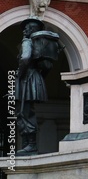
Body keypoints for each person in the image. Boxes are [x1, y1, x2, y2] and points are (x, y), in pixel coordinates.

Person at [15, 16, 60, 155]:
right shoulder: (39, 45)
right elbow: (46, 67)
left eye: (27, 28)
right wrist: (39, 79)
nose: (24, 31)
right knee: (27, 111)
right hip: (35, 78)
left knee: (23, 112)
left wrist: (19, 74)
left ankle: (31, 144)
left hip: (27, 78)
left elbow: (25, 58)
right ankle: (29, 143)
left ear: (33, 30)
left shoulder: (27, 42)